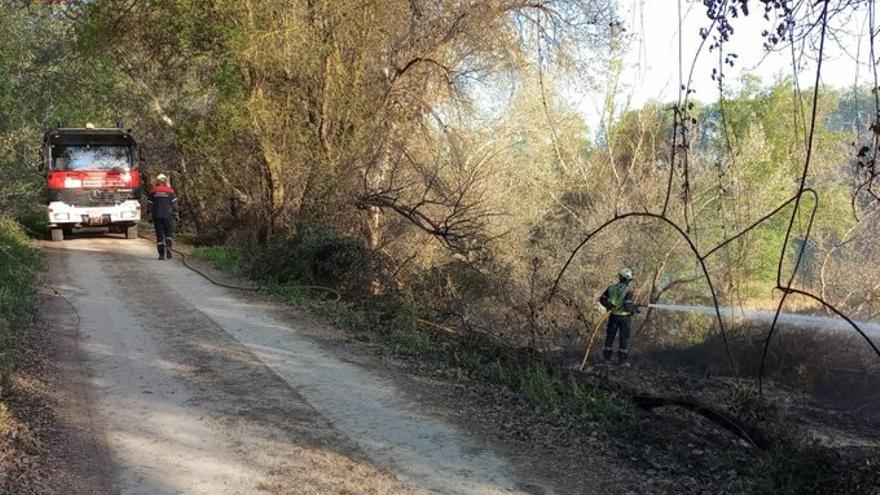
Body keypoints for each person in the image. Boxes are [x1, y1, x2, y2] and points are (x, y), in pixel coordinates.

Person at [599, 267, 639, 364]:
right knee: (623, 338)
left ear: (620, 277)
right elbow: (628, 307)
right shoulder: (629, 290)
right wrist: (635, 309)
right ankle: (622, 361)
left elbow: (602, 299)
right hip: (624, 318)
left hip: (613, 316)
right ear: (628, 279)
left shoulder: (611, 288)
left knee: (610, 336)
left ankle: (606, 358)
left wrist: (610, 306)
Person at [147, 173, 178, 260]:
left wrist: (149, 214)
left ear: (157, 181)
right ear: (165, 181)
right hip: (168, 216)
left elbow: (149, 205)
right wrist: (176, 213)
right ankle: (168, 247)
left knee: (159, 234)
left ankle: (161, 255)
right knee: (169, 233)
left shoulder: (153, 191)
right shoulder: (170, 191)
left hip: (157, 216)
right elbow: (175, 205)